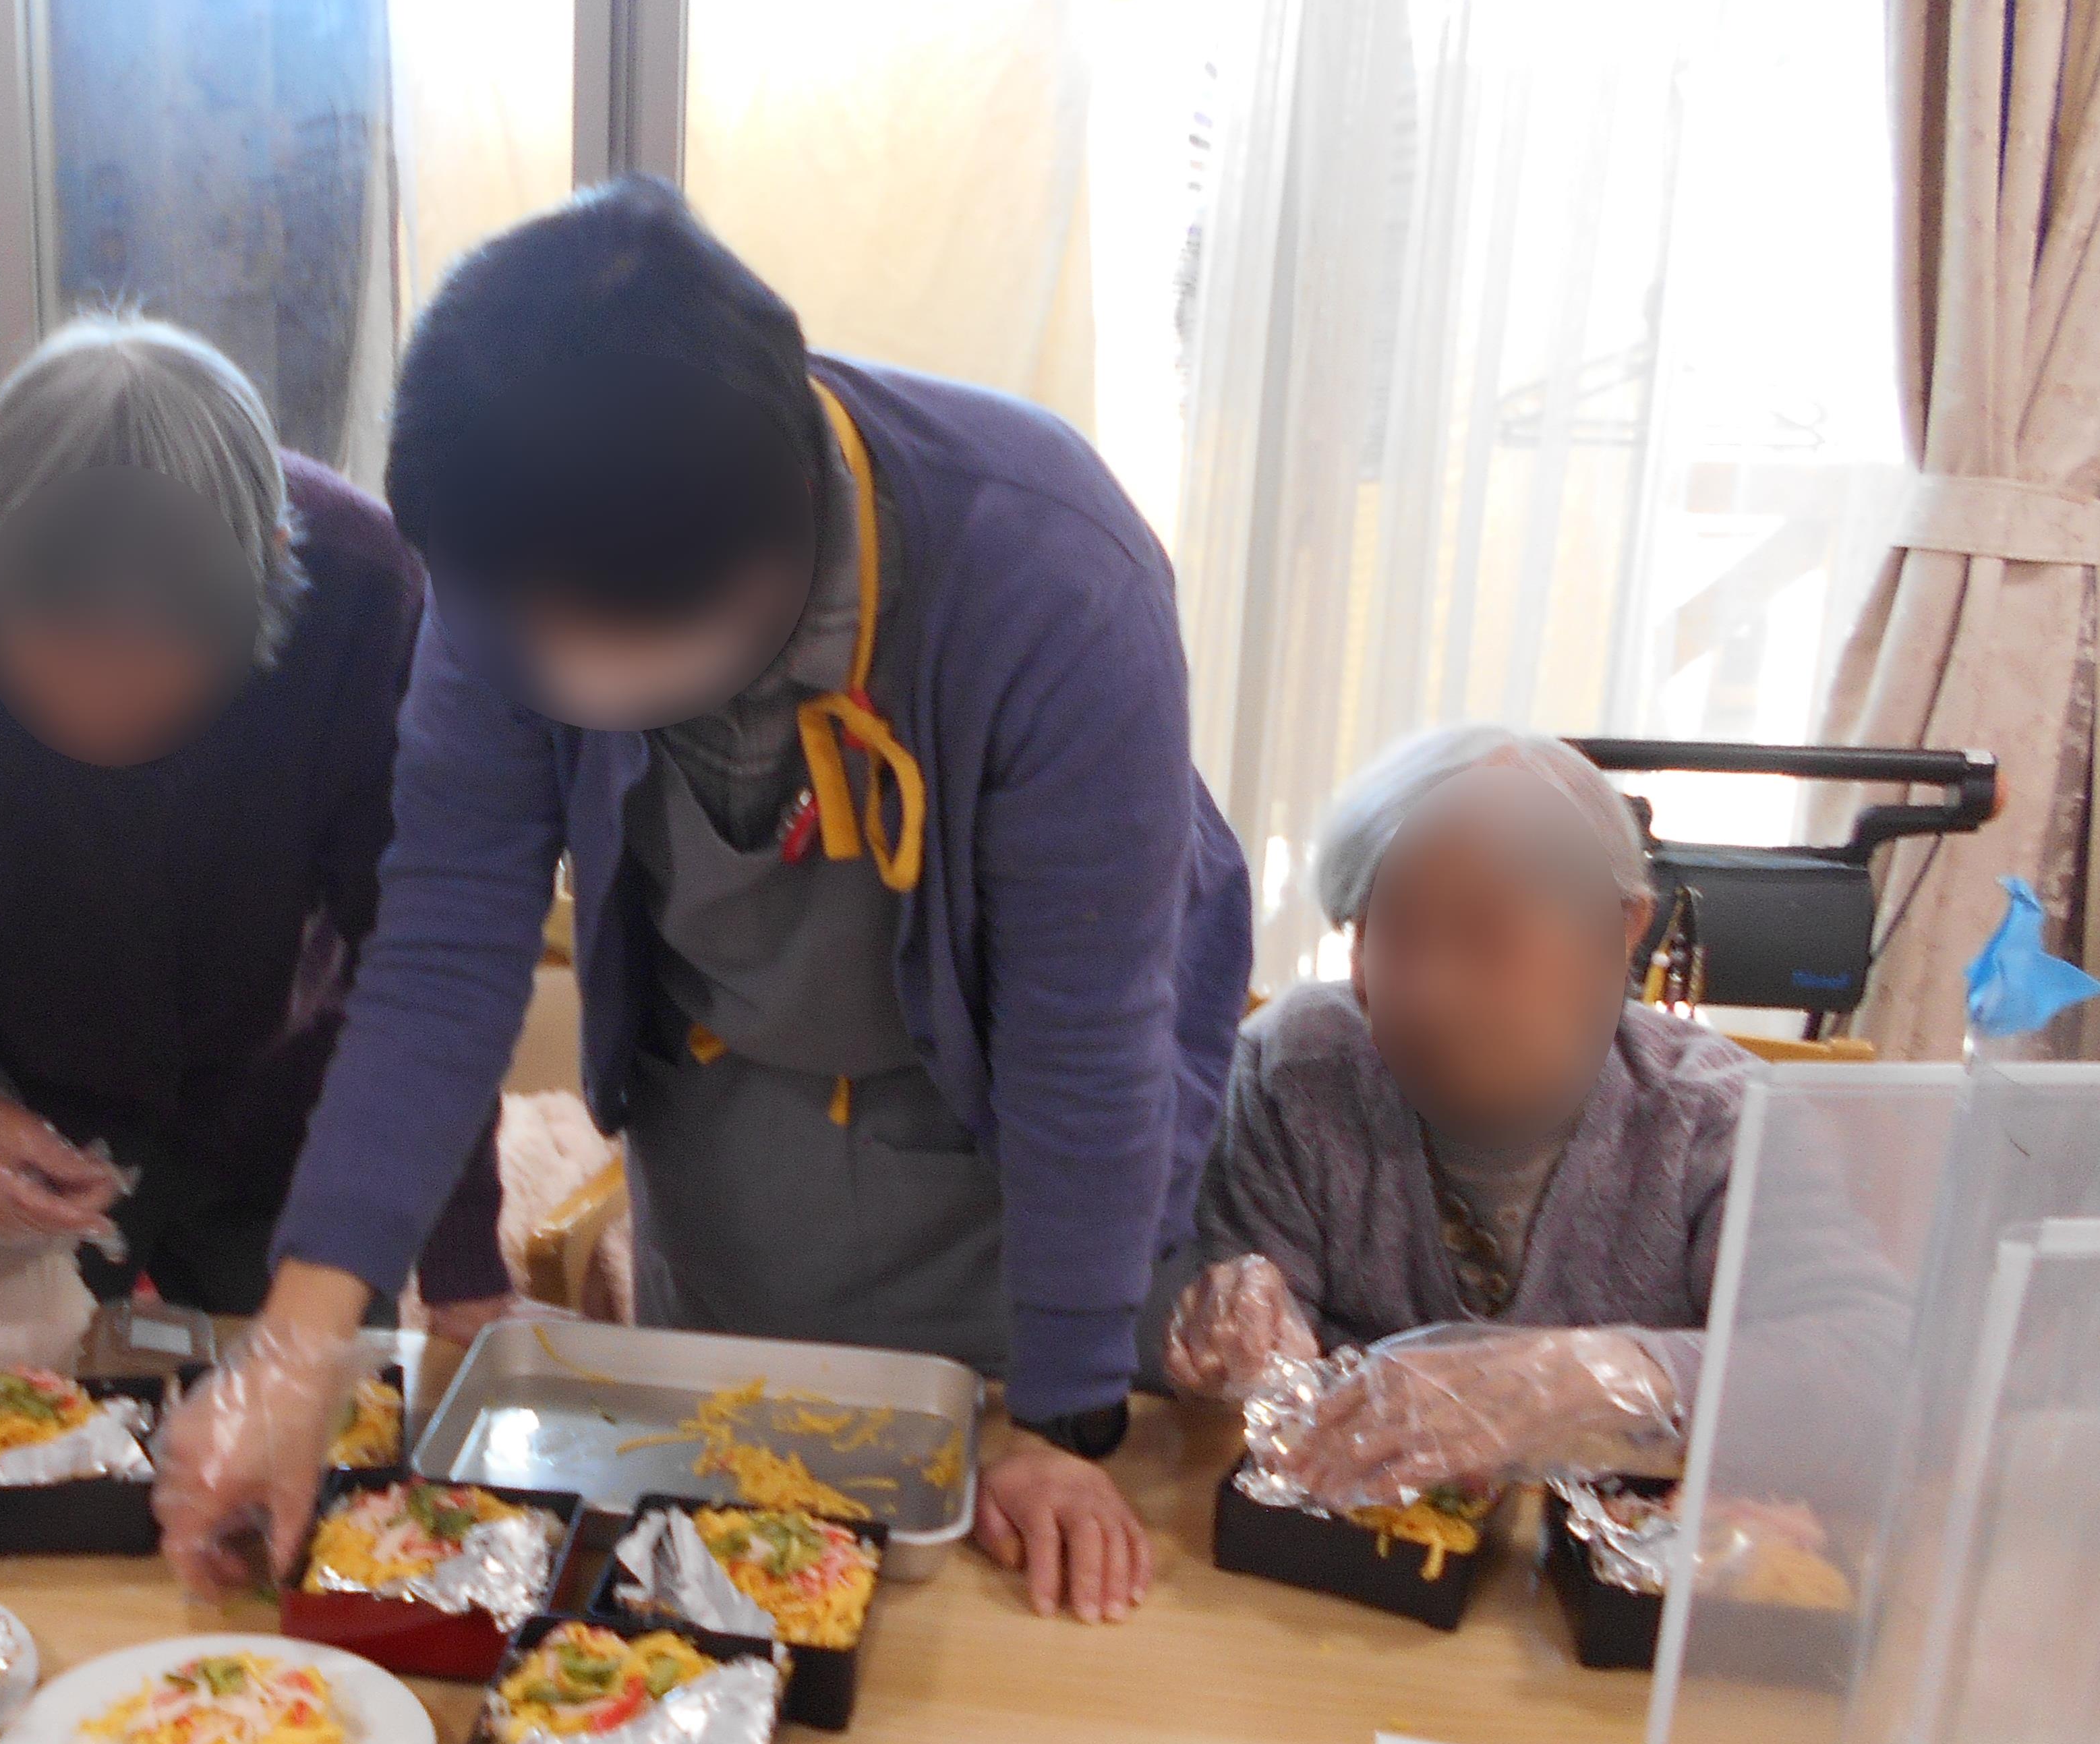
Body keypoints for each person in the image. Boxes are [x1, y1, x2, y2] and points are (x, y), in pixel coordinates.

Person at [150, 180, 1251, 1622]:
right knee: (719, 1584)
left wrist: (1064, 1417)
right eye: (520, 637)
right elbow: (439, 964)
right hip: (733, 1136)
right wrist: (298, 1349)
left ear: (776, 548)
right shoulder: (509, 574)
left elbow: (1084, 1041)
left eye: (601, 639)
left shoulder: (1048, 578)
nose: (551, 674)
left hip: (1024, 1179)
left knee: (987, 1618)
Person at [0, 315, 508, 1333]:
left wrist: (462, 1262)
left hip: (290, 1119)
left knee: (321, 1412)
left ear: (270, 580)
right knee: (4, 1423)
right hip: (9, 1137)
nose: (102, 704)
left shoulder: (367, 599)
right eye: (56, 655)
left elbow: (421, 946)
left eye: (157, 664)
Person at [1157, 724, 1751, 1501]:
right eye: (1390, 933)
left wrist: (1595, 1378)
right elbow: (1243, 1363)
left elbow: (1855, 1368)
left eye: (1485, 935)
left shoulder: (1716, 1117)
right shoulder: (1292, 1075)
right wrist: (1241, 1339)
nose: (1428, 993)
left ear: (1620, 932)